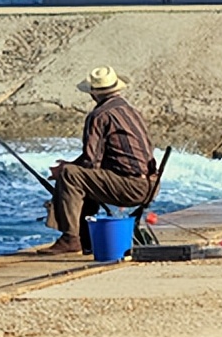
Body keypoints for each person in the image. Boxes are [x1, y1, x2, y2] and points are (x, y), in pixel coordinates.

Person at [39, 65, 157, 255]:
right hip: (151, 184)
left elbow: (90, 163)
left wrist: (64, 169)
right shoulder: (131, 111)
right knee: (79, 175)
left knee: (71, 175)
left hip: (131, 187)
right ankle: (86, 237)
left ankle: (71, 238)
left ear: (93, 94)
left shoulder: (99, 116)